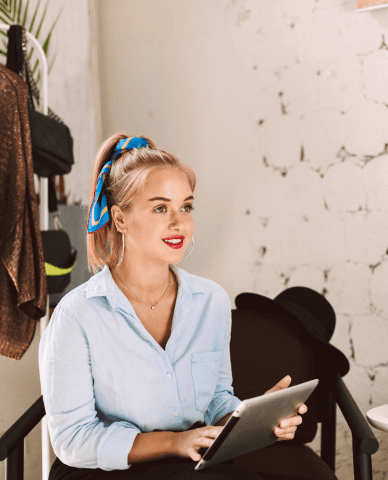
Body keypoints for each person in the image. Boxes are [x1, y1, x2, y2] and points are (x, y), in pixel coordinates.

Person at [40, 134, 313, 480]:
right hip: (101, 468)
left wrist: (255, 419)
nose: (178, 223)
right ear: (120, 219)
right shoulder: (76, 316)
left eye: (185, 207)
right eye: (160, 208)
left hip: (187, 461)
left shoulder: (210, 301)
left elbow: (215, 401)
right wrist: (173, 442)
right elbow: (72, 441)